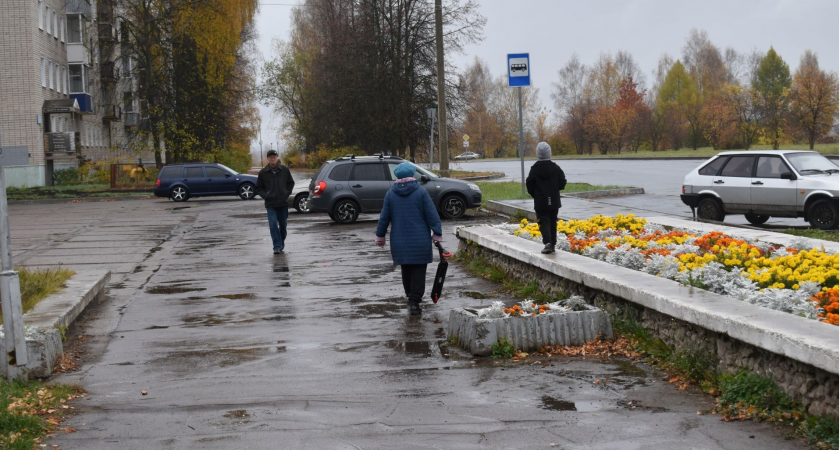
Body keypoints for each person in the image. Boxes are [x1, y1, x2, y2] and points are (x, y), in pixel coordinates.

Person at [375, 162, 443, 315]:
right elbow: (432, 214)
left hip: (399, 241)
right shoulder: (421, 192)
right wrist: (437, 233)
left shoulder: (391, 194)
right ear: (413, 175)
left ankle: (410, 297)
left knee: (406, 269)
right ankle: (415, 301)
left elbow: (384, 217)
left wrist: (380, 236)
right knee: (419, 270)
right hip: (420, 241)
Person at [526, 142, 567, 254]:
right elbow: (562, 181)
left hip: (540, 200)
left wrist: (535, 194)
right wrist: (555, 189)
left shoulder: (534, 169)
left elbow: (529, 184)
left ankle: (548, 243)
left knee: (543, 221)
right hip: (553, 200)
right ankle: (553, 243)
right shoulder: (555, 168)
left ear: (538, 154)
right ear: (549, 153)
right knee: (553, 221)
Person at [256, 149, 295, 254]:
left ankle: (281, 241)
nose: (272, 159)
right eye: (270, 157)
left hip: (283, 203)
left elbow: (291, 183)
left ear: (277, 158)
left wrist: (286, 193)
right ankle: (277, 246)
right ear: (268, 159)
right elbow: (258, 188)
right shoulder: (263, 173)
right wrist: (266, 195)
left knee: (283, 225)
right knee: (273, 224)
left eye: (274, 157)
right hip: (271, 204)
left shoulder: (284, 170)